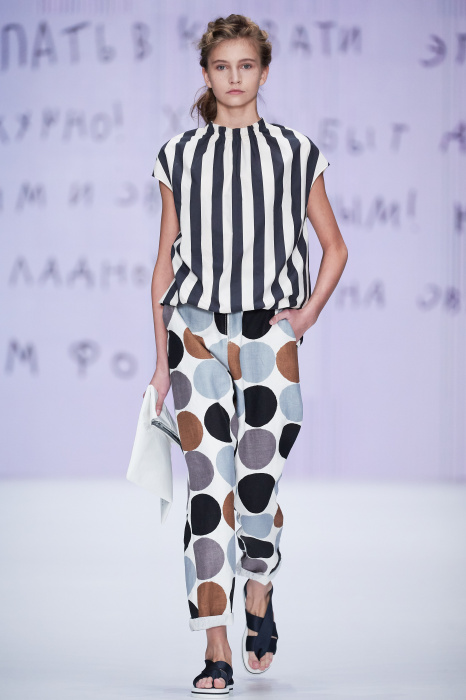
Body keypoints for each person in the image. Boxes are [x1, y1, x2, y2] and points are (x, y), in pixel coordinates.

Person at [147, 13, 348, 696]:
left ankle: (258, 586)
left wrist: (306, 315)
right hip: (193, 333)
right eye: (221, 66)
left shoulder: (296, 152)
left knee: (258, 481)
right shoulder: (178, 155)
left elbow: (334, 246)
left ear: (264, 71)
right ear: (206, 74)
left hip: (268, 336)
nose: (234, 78)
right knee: (208, 488)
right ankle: (216, 643)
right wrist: (159, 359)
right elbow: (164, 262)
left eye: (246, 65)